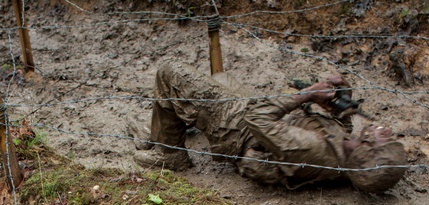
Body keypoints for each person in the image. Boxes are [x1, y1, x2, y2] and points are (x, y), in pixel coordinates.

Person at [130, 60, 408, 193]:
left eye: (387, 140)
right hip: (254, 119)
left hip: (237, 128)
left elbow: (258, 120)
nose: (388, 133)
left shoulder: (314, 151)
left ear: (369, 153)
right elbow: (336, 128)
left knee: (169, 73)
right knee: (221, 78)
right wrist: (339, 100)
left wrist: (308, 94)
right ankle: (165, 131)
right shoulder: (344, 153)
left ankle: (170, 154)